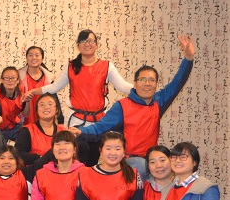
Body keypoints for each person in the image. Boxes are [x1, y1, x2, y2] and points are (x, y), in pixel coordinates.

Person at [69, 35, 196, 176]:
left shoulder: (158, 101)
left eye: (151, 80)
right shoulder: (122, 106)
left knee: (166, 169)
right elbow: (100, 127)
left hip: (150, 159)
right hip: (129, 161)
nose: (147, 84)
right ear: (135, 83)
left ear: (156, 84)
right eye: (142, 80)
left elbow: (177, 83)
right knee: (141, 166)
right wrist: (80, 131)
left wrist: (188, 58)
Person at [24, 30, 132, 165]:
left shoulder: (107, 66)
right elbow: (54, 87)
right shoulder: (71, 66)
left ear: (97, 44)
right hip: (76, 120)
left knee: (94, 158)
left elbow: (123, 86)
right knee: (78, 157)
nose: (87, 44)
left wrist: (142, 89)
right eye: (83, 41)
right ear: (78, 45)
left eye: (90, 41)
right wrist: (33, 92)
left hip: (99, 122)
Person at [14, 93, 65, 165]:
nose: (46, 107)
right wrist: (41, 158)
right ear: (37, 110)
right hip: (36, 170)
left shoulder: (63, 131)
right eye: (42, 105)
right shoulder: (27, 130)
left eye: (50, 104)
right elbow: (19, 154)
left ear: (56, 109)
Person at [18, 46, 59, 125]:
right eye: (30, 55)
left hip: (45, 116)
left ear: (42, 59)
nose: (34, 58)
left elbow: (55, 98)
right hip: (24, 118)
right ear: (26, 58)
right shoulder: (18, 77)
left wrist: (60, 119)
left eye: (37, 55)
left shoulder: (49, 78)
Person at [0, 66, 27, 141]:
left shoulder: (21, 90)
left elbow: (24, 112)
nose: (10, 80)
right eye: (7, 78)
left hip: (17, 126)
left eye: (13, 78)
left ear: (18, 80)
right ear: (1, 80)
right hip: (1, 129)